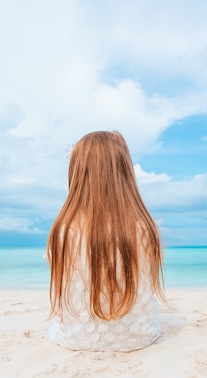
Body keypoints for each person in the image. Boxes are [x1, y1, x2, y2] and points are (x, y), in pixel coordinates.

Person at [45, 130, 166, 352]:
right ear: (125, 172)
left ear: (77, 173)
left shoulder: (63, 229)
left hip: (75, 339)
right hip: (138, 337)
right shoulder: (145, 228)